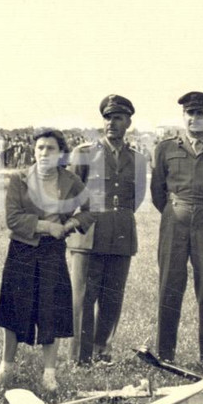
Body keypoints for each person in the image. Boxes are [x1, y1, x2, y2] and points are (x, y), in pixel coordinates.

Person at [0, 129, 93, 392]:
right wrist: (47, 226)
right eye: (40, 148)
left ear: (61, 154)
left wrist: (69, 225)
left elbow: (90, 210)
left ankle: (49, 375)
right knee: (14, 309)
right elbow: (12, 219)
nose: (44, 153)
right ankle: (5, 369)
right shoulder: (20, 178)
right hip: (22, 250)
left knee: (51, 311)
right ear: (34, 151)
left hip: (52, 252)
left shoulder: (70, 181)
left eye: (51, 148)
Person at [150, 91, 203, 367]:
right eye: (190, 113)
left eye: (200, 113)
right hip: (175, 218)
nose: (194, 118)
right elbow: (158, 191)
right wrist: (175, 211)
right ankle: (165, 354)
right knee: (169, 285)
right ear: (183, 115)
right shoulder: (165, 148)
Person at [67, 95, 147, 366]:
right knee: (83, 298)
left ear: (128, 123)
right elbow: (72, 194)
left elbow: (135, 198)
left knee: (112, 297)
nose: (111, 123)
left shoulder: (137, 159)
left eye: (118, 118)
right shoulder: (84, 153)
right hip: (89, 234)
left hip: (121, 233)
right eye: (108, 118)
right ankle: (80, 358)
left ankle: (102, 352)